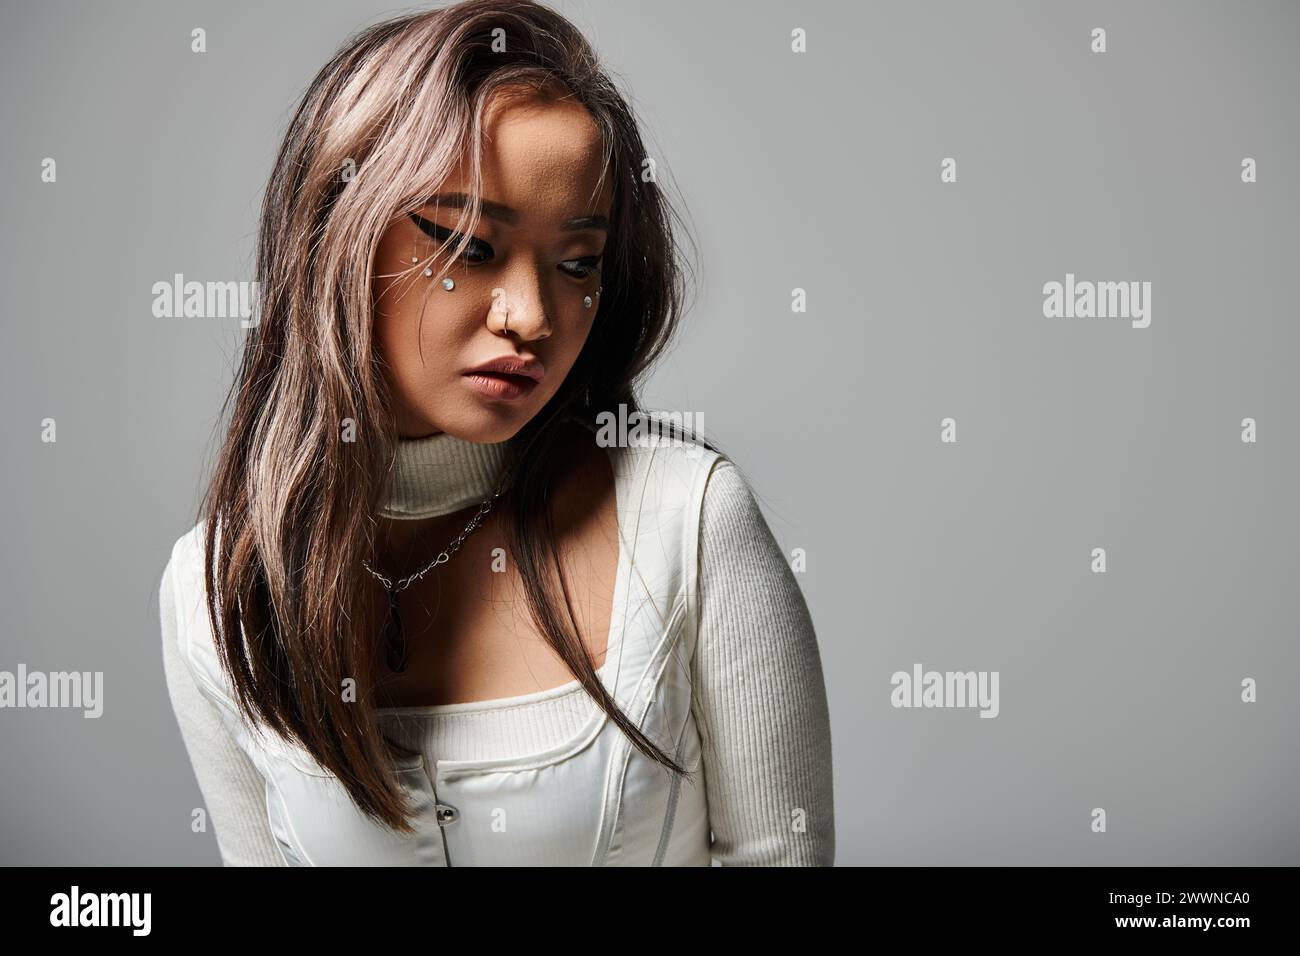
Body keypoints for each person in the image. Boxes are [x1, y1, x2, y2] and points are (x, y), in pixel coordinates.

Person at [159, 0, 834, 866]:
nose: (532, 317)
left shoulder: (690, 523)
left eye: (577, 264)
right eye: (470, 246)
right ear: (335, 234)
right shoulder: (216, 596)